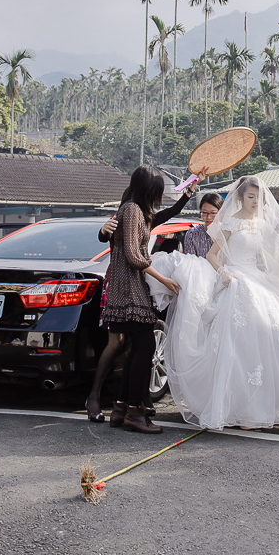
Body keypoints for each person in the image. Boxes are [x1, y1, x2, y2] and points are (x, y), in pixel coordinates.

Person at [148, 175, 279, 431]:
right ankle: (237, 407)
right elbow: (212, 255)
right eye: (250, 197)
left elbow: (275, 252)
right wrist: (223, 272)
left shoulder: (262, 224)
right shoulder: (230, 223)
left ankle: (267, 406)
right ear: (240, 198)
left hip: (258, 280)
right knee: (234, 345)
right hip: (235, 279)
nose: (255, 202)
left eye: (258, 197)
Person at [85, 165, 207, 426]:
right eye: (157, 191)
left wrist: (191, 188)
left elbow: (169, 214)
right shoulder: (131, 211)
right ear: (148, 189)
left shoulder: (139, 212)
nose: (158, 196)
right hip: (125, 285)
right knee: (135, 345)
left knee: (134, 346)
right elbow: (132, 255)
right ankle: (129, 408)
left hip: (131, 282)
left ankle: (123, 407)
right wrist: (163, 278)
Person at [183, 191, 224, 257]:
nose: (208, 217)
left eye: (213, 213)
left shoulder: (227, 231)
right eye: (204, 212)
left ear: (221, 212)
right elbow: (191, 261)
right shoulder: (193, 234)